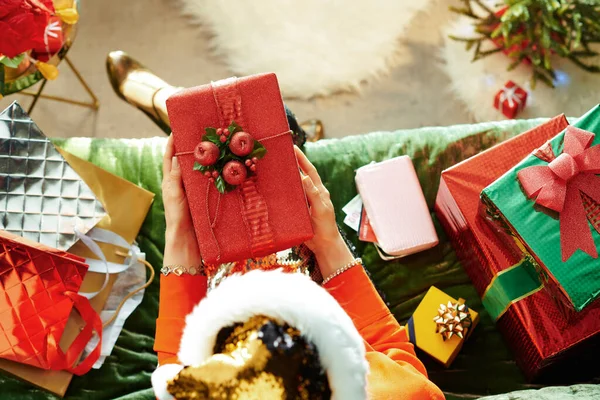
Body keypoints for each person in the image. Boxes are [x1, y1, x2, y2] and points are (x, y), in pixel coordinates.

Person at [153, 135, 445, 399]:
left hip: (221, 301)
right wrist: (329, 243)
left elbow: (175, 379)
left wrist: (179, 237)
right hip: (327, 298)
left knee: (229, 157)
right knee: (277, 141)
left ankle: (153, 97)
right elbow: (395, 357)